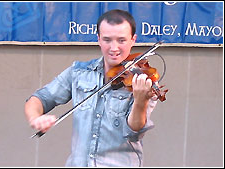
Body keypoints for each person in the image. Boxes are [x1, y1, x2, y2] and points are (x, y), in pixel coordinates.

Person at [25, 9, 157, 167]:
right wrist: (35, 118)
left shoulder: (143, 80)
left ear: (133, 39)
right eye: (107, 40)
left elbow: (134, 131)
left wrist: (140, 101)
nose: (114, 48)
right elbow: (40, 98)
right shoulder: (79, 73)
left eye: (121, 40)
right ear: (98, 39)